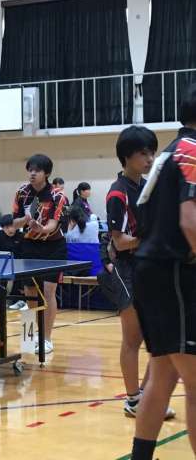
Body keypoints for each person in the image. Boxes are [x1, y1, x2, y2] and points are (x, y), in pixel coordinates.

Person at [129, 90, 196, 460]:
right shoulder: (193, 151)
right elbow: (190, 221)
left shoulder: (167, 154)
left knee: (163, 375)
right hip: (175, 275)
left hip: (150, 272)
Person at [100, 125, 174, 421]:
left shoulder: (146, 186)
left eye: (152, 152)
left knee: (157, 338)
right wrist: (153, 237)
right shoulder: (117, 193)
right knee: (132, 339)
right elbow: (119, 242)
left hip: (147, 265)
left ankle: (145, 395)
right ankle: (133, 400)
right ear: (126, 157)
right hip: (125, 269)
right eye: (143, 153)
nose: (149, 158)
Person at [13, 154, 68, 354]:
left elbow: (53, 224)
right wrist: (25, 220)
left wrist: (41, 228)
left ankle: (46, 339)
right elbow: (14, 222)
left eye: (37, 170)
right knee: (29, 292)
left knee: (48, 291)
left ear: (47, 173)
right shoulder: (22, 193)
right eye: (30, 170)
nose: (32, 173)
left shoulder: (57, 196)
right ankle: (28, 336)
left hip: (53, 247)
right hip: (29, 245)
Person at [0, 213, 27, 311]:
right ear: (2, 228)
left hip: (20, 265)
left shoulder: (22, 236)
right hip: (4, 264)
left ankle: (20, 300)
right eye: (6, 227)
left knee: (20, 274)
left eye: (12, 226)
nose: (10, 229)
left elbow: (25, 254)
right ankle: (2, 297)